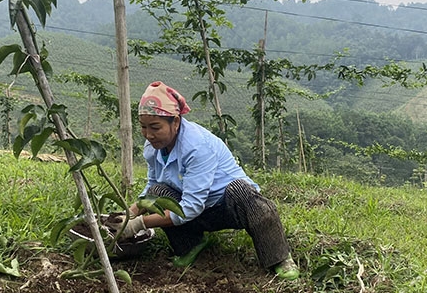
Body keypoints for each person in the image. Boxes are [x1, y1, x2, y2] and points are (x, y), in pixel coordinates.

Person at [117, 81, 299, 280]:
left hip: (227, 206)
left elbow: (191, 207)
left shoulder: (196, 146)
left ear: (175, 122)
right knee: (158, 193)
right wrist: (127, 214)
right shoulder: (153, 146)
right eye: (143, 127)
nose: (148, 134)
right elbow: (152, 186)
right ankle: (191, 244)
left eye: (155, 127)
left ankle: (279, 257)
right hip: (195, 208)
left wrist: (139, 224)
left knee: (240, 190)